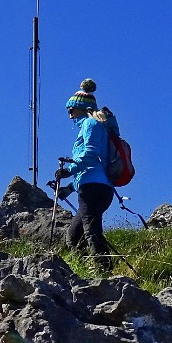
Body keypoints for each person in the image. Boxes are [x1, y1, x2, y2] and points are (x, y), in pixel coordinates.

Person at [56, 78, 116, 272]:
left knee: (90, 233)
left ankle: (103, 272)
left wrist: (69, 170)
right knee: (74, 237)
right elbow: (92, 164)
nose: (69, 113)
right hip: (98, 186)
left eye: (71, 108)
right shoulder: (95, 126)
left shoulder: (90, 124)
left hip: (92, 188)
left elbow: (90, 154)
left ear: (82, 107)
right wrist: (69, 188)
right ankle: (86, 272)